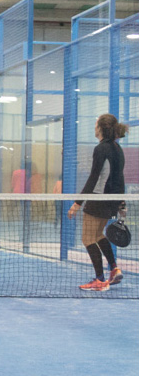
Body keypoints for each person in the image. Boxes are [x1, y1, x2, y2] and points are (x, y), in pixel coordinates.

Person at [68, 114, 127, 291]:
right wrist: (121, 203)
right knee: (98, 235)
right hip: (111, 201)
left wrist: (77, 203)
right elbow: (119, 179)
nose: (94, 128)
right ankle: (114, 269)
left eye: (96, 125)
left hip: (98, 199)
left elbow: (93, 178)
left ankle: (100, 280)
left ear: (101, 128)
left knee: (87, 239)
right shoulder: (117, 148)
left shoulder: (101, 149)